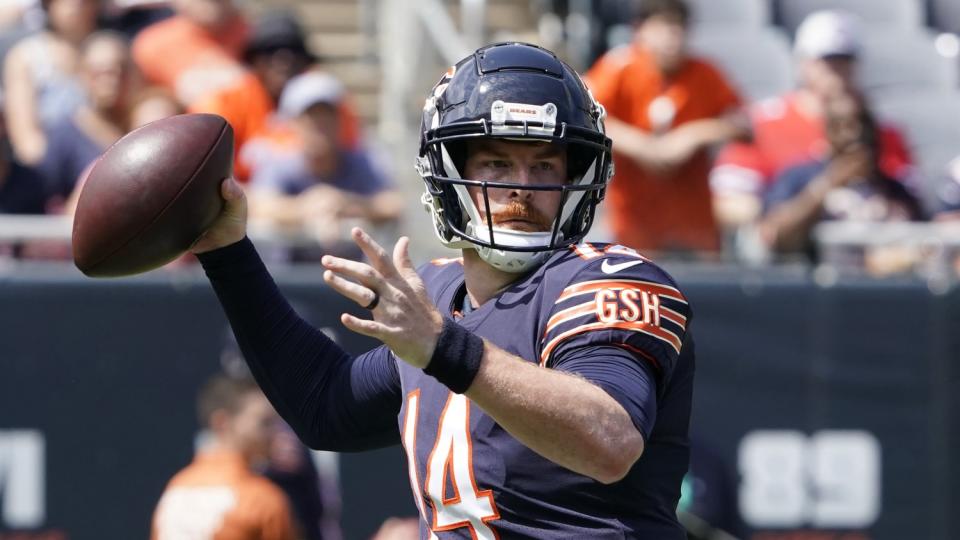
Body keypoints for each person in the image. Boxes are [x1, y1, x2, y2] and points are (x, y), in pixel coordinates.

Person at [191, 42, 695, 537]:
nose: (522, 186)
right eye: (496, 164)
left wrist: (443, 346)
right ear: (449, 175)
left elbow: (609, 442)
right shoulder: (439, 292)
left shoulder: (608, 279)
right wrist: (227, 252)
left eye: (544, 165)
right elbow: (326, 408)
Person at [711, 10, 914, 228]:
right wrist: (789, 211)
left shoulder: (882, 129)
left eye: (845, 60)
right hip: (787, 253)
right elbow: (728, 202)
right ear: (803, 63)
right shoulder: (764, 122)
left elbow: (906, 201)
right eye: (827, 61)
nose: (836, 71)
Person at [584, 0, 748, 255]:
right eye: (662, 26)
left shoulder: (704, 73)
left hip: (695, 225)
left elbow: (742, 124)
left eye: (679, 26)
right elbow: (585, 115)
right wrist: (643, 147)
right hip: (633, 224)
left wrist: (693, 135)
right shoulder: (620, 68)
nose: (673, 37)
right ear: (640, 30)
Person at [244, 71, 402, 254]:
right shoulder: (277, 163)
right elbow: (259, 207)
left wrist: (346, 203)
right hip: (289, 277)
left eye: (327, 115)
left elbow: (394, 204)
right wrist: (306, 207)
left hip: (354, 275)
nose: (320, 124)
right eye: (311, 117)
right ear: (293, 123)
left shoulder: (364, 160)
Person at [758, 92, 923, 261]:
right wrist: (827, 185)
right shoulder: (800, 176)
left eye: (864, 124)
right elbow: (775, 235)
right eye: (843, 126)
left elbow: (925, 241)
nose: (856, 135)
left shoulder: (893, 188)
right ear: (828, 132)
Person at [151, 374, 295, 540]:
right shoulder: (262, 500)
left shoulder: (176, 489)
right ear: (222, 422)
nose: (275, 433)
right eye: (264, 423)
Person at [37, 31, 138, 212]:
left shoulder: (148, 124)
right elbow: (47, 200)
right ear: (82, 75)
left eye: (120, 70)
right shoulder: (64, 134)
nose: (111, 80)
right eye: (99, 72)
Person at [3, 0, 99, 165]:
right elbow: (26, 138)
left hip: (102, 159)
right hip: (51, 167)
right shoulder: (25, 57)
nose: (75, 5)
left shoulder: (110, 53)